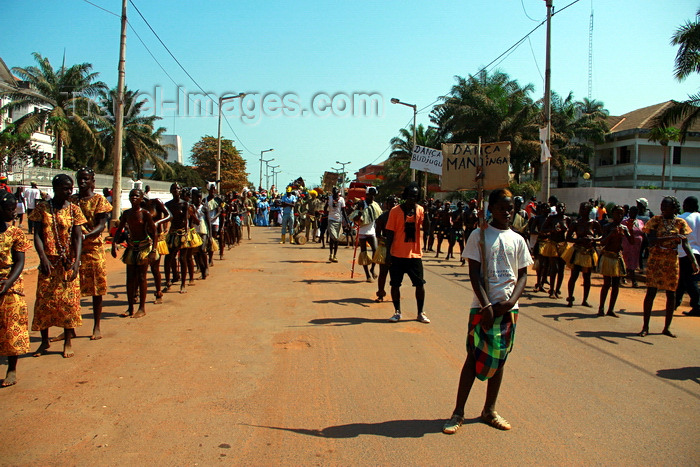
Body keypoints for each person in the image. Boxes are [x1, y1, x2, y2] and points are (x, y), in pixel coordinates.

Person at [443, 188, 532, 434]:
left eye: (511, 208)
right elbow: (474, 273)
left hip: (508, 309)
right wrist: (486, 306)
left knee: (500, 358)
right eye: (502, 207)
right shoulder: (479, 236)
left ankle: (489, 410)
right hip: (482, 308)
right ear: (490, 208)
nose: (507, 212)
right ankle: (458, 412)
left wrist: (510, 302)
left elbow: (523, 274)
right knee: (473, 357)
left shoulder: (518, 239)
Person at [30, 174, 87, 358]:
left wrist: (77, 261)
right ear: (55, 189)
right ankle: (44, 341)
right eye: (65, 188)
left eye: (71, 188)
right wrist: (43, 258)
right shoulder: (43, 208)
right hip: (48, 263)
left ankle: (67, 342)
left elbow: (78, 237)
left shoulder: (74, 210)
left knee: (69, 303)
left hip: (67, 263)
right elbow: (37, 235)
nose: (69, 192)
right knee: (44, 303)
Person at [639, 196, 698, 337]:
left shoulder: (680, 223)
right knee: (651, 292)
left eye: (667, 206)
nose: (663, 208)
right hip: (656, 260)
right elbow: (651, 240)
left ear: (674, 208)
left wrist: (693, 261)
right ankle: (645, 327)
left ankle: (667, 327)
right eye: (662, 206)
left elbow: (686, 243)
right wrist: (671, 238)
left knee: (671, 293)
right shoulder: (655, 221)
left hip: (671, 261)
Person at [72, 168, 112, 340]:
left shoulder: (99, 200)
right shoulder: (72, 200)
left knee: (96, 288)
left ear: (91, 181)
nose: (82, 182)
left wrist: (86, 235)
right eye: (79, 179)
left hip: (93, 248)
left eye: (85, 179)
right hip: (74, 249)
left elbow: (101, 225)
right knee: (72, 289)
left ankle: (96, 325)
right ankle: (70, 326)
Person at [0, 191, 32, 386]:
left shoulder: (16, 233)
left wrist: (8, 282)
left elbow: (19, 262)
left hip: (10, 283)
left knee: (12, 327)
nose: (13, 214)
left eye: (14, 209)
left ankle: (12, 369)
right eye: (9, 210)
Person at [386, 183, 429, 323]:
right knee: (395, 285)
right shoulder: (395, 211)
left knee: (420, 285)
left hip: (414, 255)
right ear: (405, 196)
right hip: (397, 255)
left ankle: (420, 313)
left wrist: (427, 212)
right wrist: (388, 254)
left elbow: (427, 228)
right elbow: (390, 234)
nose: (412, 199)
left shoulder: (420, 210)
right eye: (410, 196)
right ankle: (397, 312)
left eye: (415, 197)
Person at [111, 189, 157, 319]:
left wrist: (153, 251)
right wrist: (114, 244)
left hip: (144, 247)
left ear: (141, 198)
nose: (133, 198)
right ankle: (130, 307)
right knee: (130, 279)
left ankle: (141, 308)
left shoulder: (145, 214)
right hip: (131, 247)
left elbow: (154, 233)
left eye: (136, 196)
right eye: (131, 196)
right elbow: (119, 230)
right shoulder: (127, 213)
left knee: (142, 278)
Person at [562, 202, 602, 307]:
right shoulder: (575, 223)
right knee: (574, 275)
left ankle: (585, 300)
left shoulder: (594, 223)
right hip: (577, 252)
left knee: (587, 276)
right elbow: (568, 238)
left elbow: (602, 236)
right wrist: (578, 240)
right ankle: (570, 298)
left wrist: (593, 239)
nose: (583, 211)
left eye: (585, 209)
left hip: (588, 252)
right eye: (581, 209)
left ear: (589, 211)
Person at [597, 206, 631, 317]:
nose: (619, 216)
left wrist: (628, 231)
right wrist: (611, 234)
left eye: (622, 214)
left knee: (616, 285)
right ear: (613, 214)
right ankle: (601, 308)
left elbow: (632, 241)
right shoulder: (607, 226)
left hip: (617, 257)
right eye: (617, 214)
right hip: (608, 256)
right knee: (607, 284)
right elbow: (602, 242)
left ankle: (611, 309)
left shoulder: (623, 228)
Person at [142, 189, 171, 304]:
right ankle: (135, 294)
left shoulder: (155, 203)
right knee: (139, 269)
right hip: (142, 239)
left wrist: (158, 223)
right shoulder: (137, 207)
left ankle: (158, 292)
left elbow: (169, 215)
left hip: (156, 239)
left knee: (154, 268)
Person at [352, 187, 382, 282]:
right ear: (367, 195)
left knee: (375, 250)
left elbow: (379, 217)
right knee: (364, 253)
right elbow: (354, 217)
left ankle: (372, 268)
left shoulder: (375, 205)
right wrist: (359, 214)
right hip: (362, 232)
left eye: (374, 195)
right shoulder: (361, 204)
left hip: (372, 231)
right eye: (371, 195)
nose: (372, 197)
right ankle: (367, 275)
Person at [676, 196, 700, 316]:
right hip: (698, 252)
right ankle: (675, 302)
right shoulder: (699, 217)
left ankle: (697, 306)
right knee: (683, 279)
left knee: (689, 281)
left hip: (685, 253)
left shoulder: (681, 218)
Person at [540, 202, 569, 298]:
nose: (560, 209)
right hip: (552, 244)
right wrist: (552, 230)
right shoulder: (552, 218)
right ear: (556, 209)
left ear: (565, 208)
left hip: (563, 245)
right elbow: (543, 229)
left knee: (561, 269)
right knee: (554, 268)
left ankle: (557, 290)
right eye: (558, 207)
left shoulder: (567, 219)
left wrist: (566, 229)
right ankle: (551, 290)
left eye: (562, 207)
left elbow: (571, 233)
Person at [164, 183, 189, 293]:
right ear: (171, 191)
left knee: (182, 259)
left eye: (177, 188)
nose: (175, 190)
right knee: (168, 258)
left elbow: (186, 219)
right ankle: (168, 282)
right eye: (173, 188)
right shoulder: (167, 204)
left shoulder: (185, 204)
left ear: (180, 190)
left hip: (182, 233)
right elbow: (165, 218)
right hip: (172, 232)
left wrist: (187, 232)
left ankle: (183, 284)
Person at [374, 196, 397, 302]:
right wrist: (385, 240)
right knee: (383, 272)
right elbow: (377, 234)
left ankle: (395, 294)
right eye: (391, 203)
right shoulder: (382, 217)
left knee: (396, 273)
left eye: (395, 203)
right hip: (385, 247)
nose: (393, 205)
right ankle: (380, 293)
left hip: (397, 248)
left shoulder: (400, 217)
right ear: (387, 204)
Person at [622, 206, 645, 288]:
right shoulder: (624, 222)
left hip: (636, 246)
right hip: (627, 244)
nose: (633, 214)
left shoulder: (640, 222)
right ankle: (633, 281)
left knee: (633, 262)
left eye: (635, 212)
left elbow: (643, 232)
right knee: (627, 261)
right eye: (631, 212)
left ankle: (624, 276)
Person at [326, 187, 345, 261]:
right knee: (332, 237)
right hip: (331, 219)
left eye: (337, 194)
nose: (336, 196)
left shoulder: (341, 200)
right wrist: (325, 205)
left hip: (339, 221)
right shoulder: (329, 198)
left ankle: (334, 255)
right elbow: (325, 207)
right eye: (334, 194)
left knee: (336, 239)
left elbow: (343, 211)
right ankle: (331, 254)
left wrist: (347, 222)